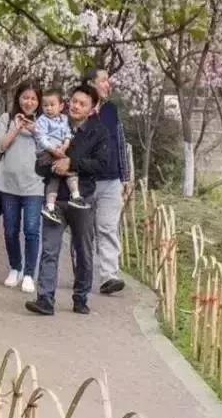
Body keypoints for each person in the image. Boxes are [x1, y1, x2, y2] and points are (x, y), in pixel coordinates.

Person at [25, 84, 109, 316]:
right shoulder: (53, 125)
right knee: (50, 249)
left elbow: (102, 165)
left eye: (82, 104)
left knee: (82, 250)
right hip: (55, 199)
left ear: (92, 108)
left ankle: (81, 297)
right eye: (73, 101)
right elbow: (39, 164)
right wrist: (53, 166)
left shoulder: (98, 132)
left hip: (82, 199)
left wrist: (72, 164)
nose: (76, 106)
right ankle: (45, 298)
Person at [0, 81, 45, 294]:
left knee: (31, 230)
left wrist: (35, 130)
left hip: (34, 186)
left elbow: (51, 147)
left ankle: (30, 273)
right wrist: (16, 128)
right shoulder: (7, 119)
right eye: (25, 97)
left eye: (33, 98)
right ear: (18, 98)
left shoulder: (44, 121)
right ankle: (15, 267)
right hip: (8, 185)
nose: (28, 102)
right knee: (10, 230)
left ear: (38, 101)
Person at [83, 68, 129, 295]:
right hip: (86, 180)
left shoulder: (111, 110)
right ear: (91, 83)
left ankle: (109, 276)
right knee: (84, 231)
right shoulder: (79, 109)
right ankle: (82, 273)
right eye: (103, 80)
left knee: (108, 227)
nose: (108, 85)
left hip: (111, 180)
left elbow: (120, 142)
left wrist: (125, 177)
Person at [34, 88, 85, 223]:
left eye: (52, 105)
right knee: (60, 173)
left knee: (62, 173)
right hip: (46, 153)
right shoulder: (42, 121)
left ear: (61, 106)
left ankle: (72, 197)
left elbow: (68, 133)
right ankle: (54, 205)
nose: (48, 109)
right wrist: (53, 149)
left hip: (61, 150)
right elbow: (41, 138)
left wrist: (65, 145)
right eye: (45, 105)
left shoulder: (64, 119)